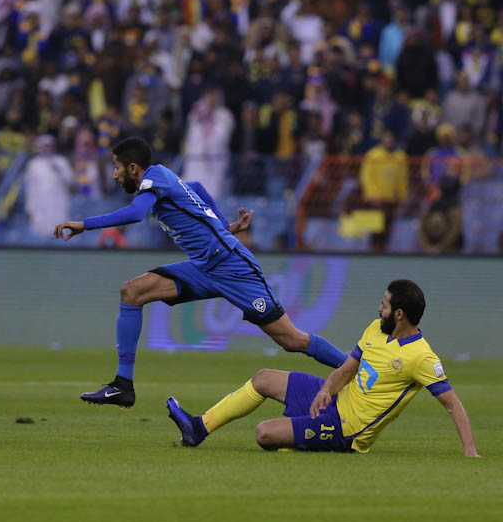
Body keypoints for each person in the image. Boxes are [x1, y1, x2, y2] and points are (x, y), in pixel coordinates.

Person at [53, 137, 347, 408]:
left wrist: (83, 224)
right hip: (205, 267)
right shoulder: (163, 177)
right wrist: (224, 226)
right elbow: (197, 188)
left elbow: (135, 213)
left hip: (232, 267)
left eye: (117, 168)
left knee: (291, 340)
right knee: (132, 292)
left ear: (133, 168)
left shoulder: (154, 180)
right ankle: (122, 385)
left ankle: (356, 369)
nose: (115, 175)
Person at [167, 280, 480, 457]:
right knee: (263, 378)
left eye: (383, 305)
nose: (378, 308)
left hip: (347, 431)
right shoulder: (375, 329)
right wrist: (327, 390)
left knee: (264, 434)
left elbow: (453, 405)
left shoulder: (421, 358)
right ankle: (199, 428)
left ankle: (305, 438)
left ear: (399, 314)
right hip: (334, 400)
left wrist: (469, 450)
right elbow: (346, 370)